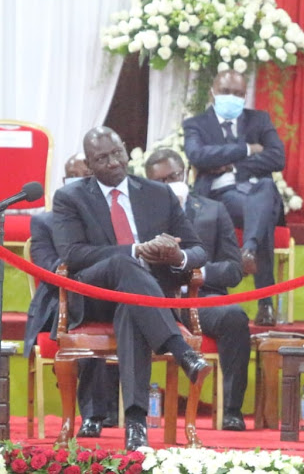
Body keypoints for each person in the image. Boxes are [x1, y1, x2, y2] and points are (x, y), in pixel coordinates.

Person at [53, 127, 211, 450]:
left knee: (132, 309)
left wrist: (177, 256)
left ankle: (136, 426)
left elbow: (197, 250)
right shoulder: (70, 198)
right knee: (126, 261)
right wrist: (136, 250)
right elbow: (73, 255)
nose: (112, 162)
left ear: (126, 149)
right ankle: (183, 352)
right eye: (101, 158)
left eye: (116, 153)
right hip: (97, 295)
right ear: (90, 164)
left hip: (144, 300)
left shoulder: (158, 194)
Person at [144, 148, 251, 431]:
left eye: (175, 176)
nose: (170, 184)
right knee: (117, 312)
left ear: (187, 174)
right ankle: (108, 412)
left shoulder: (214, 211)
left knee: (235, 317)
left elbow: (233, 269)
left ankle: (231, 410)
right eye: (161, 181)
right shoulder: (142, 216)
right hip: (155, 300)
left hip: (202, 300)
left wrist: (198, 272)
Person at [24, 154, 119, 438]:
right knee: (81, 314)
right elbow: (49, 269)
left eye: (84, 174)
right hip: (57, 302)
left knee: (115, 311)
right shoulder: (44, 222)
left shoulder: (111, 219)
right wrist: (88, 269)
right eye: (72, 175)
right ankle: (93, 414)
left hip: (102, 298)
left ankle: (119, 410)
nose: (78, 180)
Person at [184, 69, 285, 327]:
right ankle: (266, 304)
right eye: (227, 92)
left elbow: (277, 158)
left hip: (253, 191)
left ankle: (248, 249)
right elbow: (198, 156)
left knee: (264, 189)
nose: (233, 98)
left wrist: (232, 166)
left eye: (239, 94)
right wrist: (246, 149)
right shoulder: (196, 124)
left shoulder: (258, 120)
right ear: (213, 92)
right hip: (220, 197)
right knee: (261, 216)